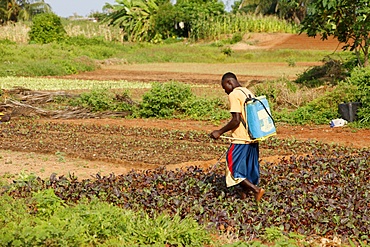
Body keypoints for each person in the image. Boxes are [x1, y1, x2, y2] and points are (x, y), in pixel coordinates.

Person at [210, 72, 265, 202]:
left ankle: (257, 190)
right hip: (253, 138)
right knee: (249, 169)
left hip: (241, 139)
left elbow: (236, 120)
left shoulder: (234, 94)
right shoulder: (247, 92)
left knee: (233, 169)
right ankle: (245, 196)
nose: (225, 92)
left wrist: (219, 132)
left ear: (229, 82)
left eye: (225, 88)